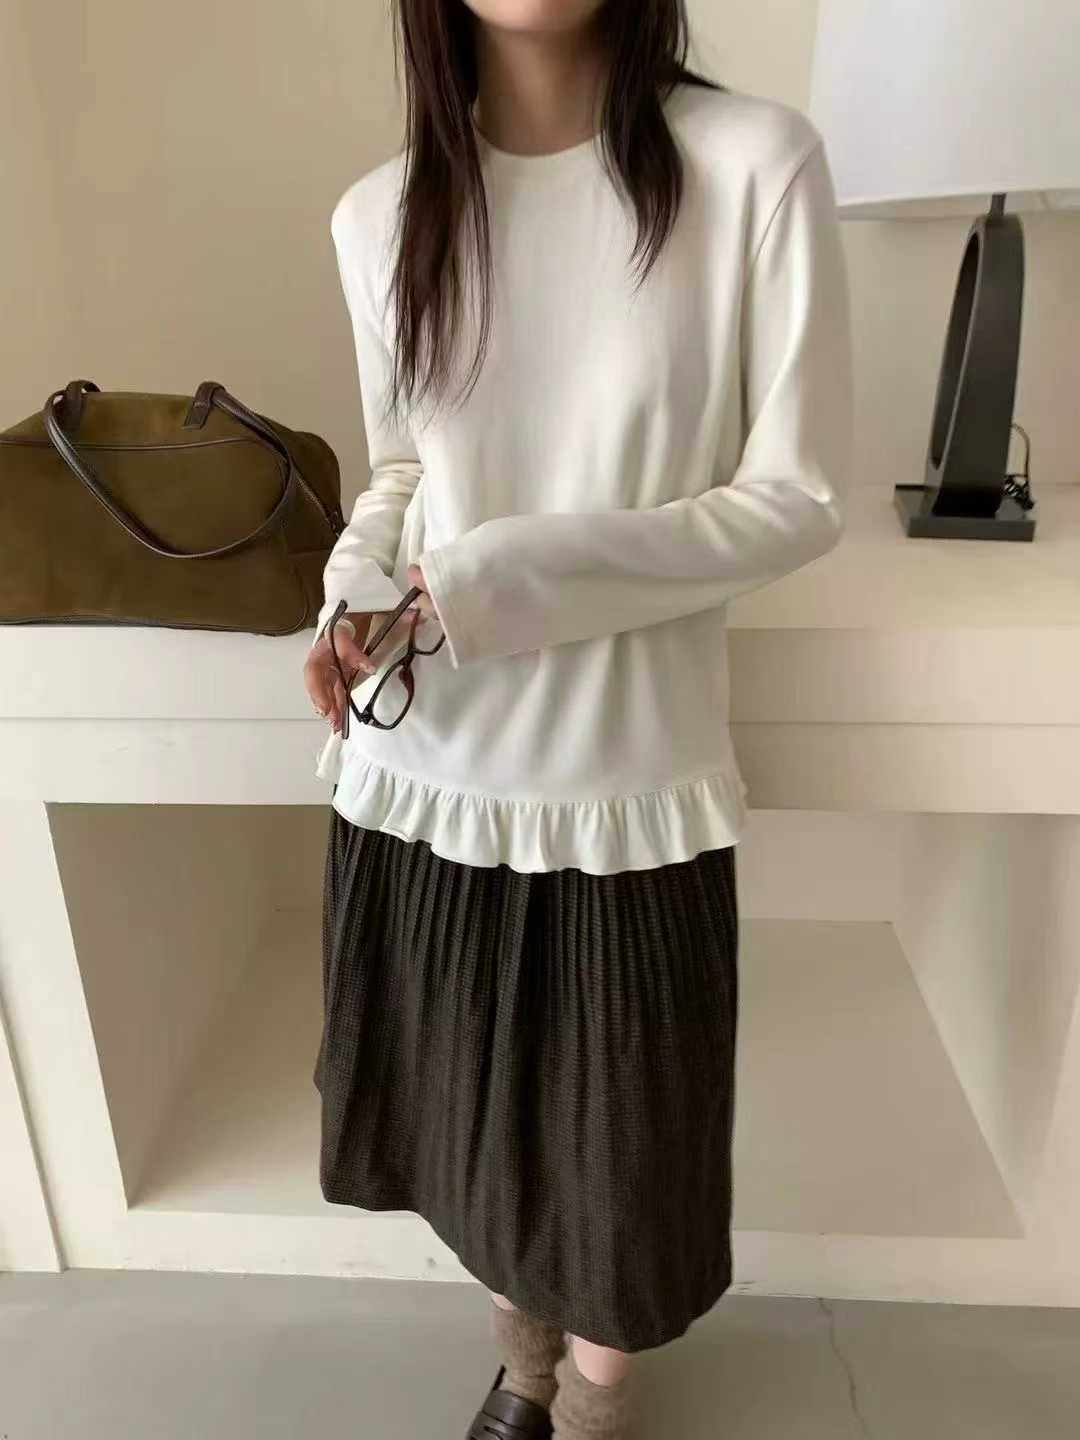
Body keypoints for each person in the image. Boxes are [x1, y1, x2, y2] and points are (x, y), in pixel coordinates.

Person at [303, 1, 853, 1435]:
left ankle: (594, 1405)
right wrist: (352, 594)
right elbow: (401, 467)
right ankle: (524, 1371)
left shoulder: (753, 166)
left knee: (625, 1160)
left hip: (625, 780)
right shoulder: (380, 215)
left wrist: (506, 576)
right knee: (470, 1131)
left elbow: (795, 498)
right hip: (426, 771)